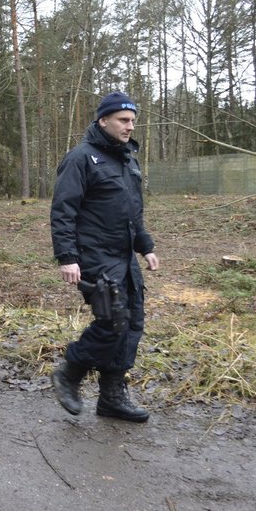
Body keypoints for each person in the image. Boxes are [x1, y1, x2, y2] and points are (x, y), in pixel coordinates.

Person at [49, 92, 160, 422]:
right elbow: (63, 211)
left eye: (133, 121)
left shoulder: (128, 160)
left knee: (132, 324)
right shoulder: (81, 158)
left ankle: (111, 396)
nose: (130, 127)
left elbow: (133, 213)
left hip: (125, 258)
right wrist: (67, 256)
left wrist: (146, 246)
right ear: (103, 121)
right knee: (113, 321)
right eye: (124, 121)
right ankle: (71, 370)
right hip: (94, 256)